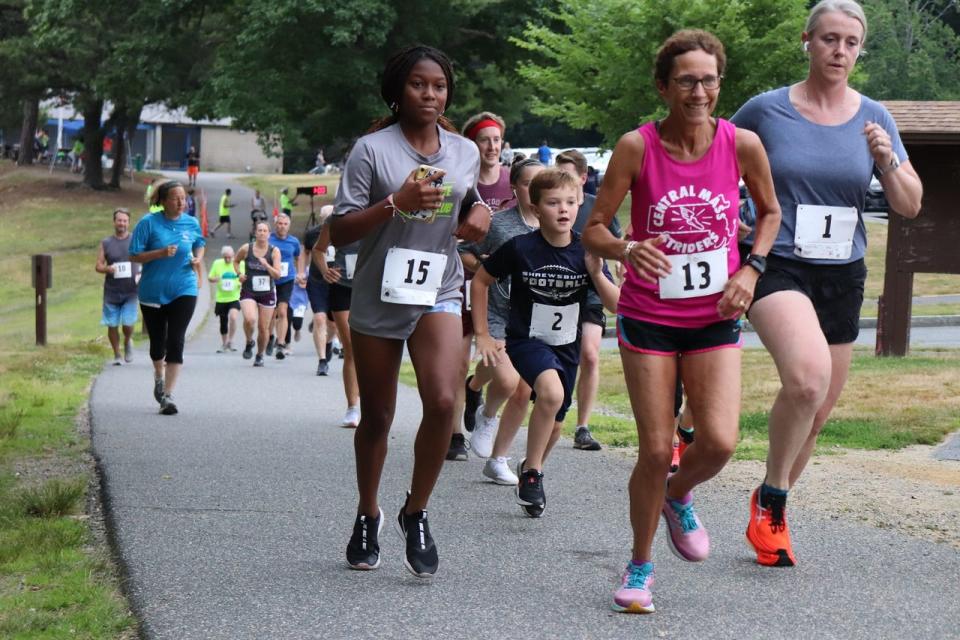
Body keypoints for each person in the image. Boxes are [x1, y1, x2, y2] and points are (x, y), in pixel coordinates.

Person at [583, 29, 782, 614]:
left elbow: (769, 213)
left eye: (709, 80)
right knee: (652, 446)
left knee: (718, 442)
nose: (700, 91)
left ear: (720, 84)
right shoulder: (636, 147)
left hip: (716, 311)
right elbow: (594, 228)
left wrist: (752, 270)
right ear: (664, 87)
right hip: (649, 314)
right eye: (687, 81)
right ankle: (640, 569)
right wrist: (626, 249)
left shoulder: (742, 143)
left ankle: (678, 492)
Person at [730, 0, 922, 568]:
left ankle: (772, 501)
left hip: (843, 268)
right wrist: (731, 219)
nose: (840, 51)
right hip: (778, 261)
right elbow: (711, 162)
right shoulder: (766, 111)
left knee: (819, 407)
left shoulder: (875, 117)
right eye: (830, 39)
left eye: (851, 43)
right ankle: (761, 490)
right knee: (808, 381)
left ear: (860, 49)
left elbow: (910, 205)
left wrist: (886, 161)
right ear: (807, 41)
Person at [331, 45, 490, 578]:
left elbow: (470, 200)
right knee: (377, 416)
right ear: (400, 91)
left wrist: (482, 211)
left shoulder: (464, 151)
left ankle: (415, 510)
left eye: (439, 86)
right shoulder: (372, 150)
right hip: (379, 289)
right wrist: (396, 202)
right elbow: (341, 229)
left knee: (444, 402)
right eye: (419, 85)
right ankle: (367, 511)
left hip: (439, 289)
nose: (430, 94)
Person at [473, 169, 620, 518]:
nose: (563, 210)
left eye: (570, 202)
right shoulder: (520, 248)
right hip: (527, 340)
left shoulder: (587, 249)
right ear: (537, 209)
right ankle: (535, 474)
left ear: (580, 202)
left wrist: (597, 273)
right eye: (553, 203)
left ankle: (530, 466)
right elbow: (480, 281)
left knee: (555, 420)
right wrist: (482, 333)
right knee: (550, 395)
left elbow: (617, 305)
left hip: (565, 345)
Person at [462, 158, 545, 484]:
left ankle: (498, 459)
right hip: (497, 314)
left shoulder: (555, 225)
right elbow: (466, 251)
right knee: (508, 381)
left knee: (524, 392)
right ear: (515, 188)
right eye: (528, 183)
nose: (537, 189)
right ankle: (486, 413)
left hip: (533, 320)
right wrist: (483, 265)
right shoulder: (499, 224)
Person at [448, 111, 517, 461]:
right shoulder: (462, 182)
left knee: (500, 359)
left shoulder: (513, 183)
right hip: (465, 281)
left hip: (503, 290)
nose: (491, 146)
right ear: (472, 145)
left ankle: (475, 388)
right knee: (459, 360)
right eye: (483, 140)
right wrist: (480, 262)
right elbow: (451, 240)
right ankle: (455, 436)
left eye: (496, 139)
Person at [556, 148, 623, 451]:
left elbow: (618, 242)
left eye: (568, 175)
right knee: (559, 356)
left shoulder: (599, 208)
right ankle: (555, 411)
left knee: (590, 354)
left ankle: (583, 426)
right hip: (558, 288)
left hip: (594, 286)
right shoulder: (553, 207)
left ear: (583, 177)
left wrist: (620, 257)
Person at [129, 180, 206, 415]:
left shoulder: (191, 222)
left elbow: (200, 243)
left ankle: (168, 396)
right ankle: (159, 376)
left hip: (184, 288)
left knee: (176, 339)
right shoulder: (148, 223)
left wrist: (198, 258)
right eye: (175, 198)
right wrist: (160, 253)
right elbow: (134, 255)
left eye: (183, 198)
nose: (181, 202)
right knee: (157, 343)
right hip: (152, 291)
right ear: (163, 201)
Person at [311, 210, 362, 426]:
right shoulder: (335, 220)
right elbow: (318, 250)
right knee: (351, 346)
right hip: (343, 288)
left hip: (372, 289)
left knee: (373, 348)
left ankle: (373, 402)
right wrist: (325, 271)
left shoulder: (380, 213)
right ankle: (352, 407)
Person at [95, 208, 140, 365]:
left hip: (131, 291)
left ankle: (128, 340)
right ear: (114, 222)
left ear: (129, 222)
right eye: (119, 220)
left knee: (128, 323)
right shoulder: (106, 243)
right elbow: (98, 266)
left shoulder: (135, 240)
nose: (122, 223)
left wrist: (142, 273)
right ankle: (117, 355)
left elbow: (145, 258)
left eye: (125, 220)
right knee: (112, 324)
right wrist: (107, 269)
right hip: (112, 292)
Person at [234, 221, 282, 367]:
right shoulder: (246, 248)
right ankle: (249, 341)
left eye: (264, 231)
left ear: (269, 234)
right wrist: (239, 274)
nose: (261, 233)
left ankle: (260, 354)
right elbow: (236, 262)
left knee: (263, 328)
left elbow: (277, 275)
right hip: (249, 290)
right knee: (249, 319)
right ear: (255, 233)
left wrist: (266, 265)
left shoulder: (274, 251)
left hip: (267, 293)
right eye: (259, 230)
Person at [303, 210, 337, 375]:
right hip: (317, 282)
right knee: (319, 318)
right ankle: (322, 360)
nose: (328, 221)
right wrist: (302, 272)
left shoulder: (343, 231)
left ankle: (328, 342)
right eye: (326, 218)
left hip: (337, 283)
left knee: (333, 324)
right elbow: (305, 252)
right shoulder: (312, 234)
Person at [267, 214, 306, 360]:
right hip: (270, 279)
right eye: (279, 223)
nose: (282, 226)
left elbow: (299, 257)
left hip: (287, 279)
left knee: (283, 311)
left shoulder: (293, 241)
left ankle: (281, 344)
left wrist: (300, 272)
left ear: (289, 226)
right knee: (271, 312)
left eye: (285, 224)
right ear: (275, 224)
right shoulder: (269, 239)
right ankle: (270, 336)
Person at [208, 245, 243, 352]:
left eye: (230, 257)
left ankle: (230, 341)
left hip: (234, 296)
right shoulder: (217, 263)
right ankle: (224, 344)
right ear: (222, 256)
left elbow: (244, 277)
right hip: (221, 298)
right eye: (225, 257)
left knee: (233, 317)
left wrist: (239, 284)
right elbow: (210, 278)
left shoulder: (239, 263)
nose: (228, 259)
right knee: (223, 321)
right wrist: (216, 279)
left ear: (233, 255)